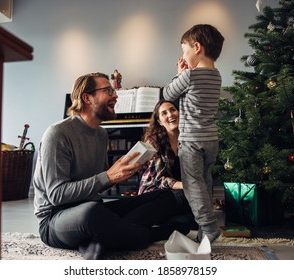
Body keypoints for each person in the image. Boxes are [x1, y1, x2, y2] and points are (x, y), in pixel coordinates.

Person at [33, 72, 187, 260]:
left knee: (165, 196)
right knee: (92, 213)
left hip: (93, 207)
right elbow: (57, 195)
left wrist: (121, 174)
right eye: (108, 91)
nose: (116, 95)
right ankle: (154, 234)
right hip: (56, 219)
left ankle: (98, 240)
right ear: (87, 98)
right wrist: (108, 176)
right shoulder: (57, 134)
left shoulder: (101, 135)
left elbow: (98, 184)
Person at [163, 24, 225, 243]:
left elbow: (168, 93)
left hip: (191, 140)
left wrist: (178, 73)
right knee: (205, 182)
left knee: (191, 184)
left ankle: (209, 227)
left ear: (197, 47)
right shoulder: (216, 75)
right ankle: (202, 233)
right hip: (211, 140)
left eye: (184, 51)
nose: (183, 56)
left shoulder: (189, 75)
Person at [139, 100, 196, 230]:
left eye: (173, 110)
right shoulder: (153, 141)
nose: (170, 115)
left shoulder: (188, 138)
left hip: (180, 192)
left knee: (190, 220)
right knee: (187, 201)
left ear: (179, 112)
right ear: (159, 121)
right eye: (164, 113)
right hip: (156, 191)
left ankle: (167, 222)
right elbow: (160, 180)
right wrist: (187, 187)